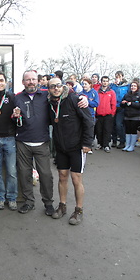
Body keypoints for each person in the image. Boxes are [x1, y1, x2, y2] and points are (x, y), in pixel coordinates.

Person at [13, 70, 89, 217]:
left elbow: (66, 94)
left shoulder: (46, 96)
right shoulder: (17, 98)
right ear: (23, 82)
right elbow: (11, 114)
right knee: (24, 174)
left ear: (39, 81)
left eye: (34, 79)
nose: (31, 82)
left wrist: (83, 96)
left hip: (42, 142)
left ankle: (48, 202)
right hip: (23, 142)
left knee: (46, 175)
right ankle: (29, 201)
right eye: (28, 80)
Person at [47, 78, 94, 226]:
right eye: (52, 86)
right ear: (48, 89)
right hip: (61, 147)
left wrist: (87, 143)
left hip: (77, 147)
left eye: (58, 85)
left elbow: (89, 121)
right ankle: (62, 205)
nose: (56, 88)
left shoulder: (75, 99)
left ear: (63, 86)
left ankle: (78, 210)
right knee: (62, 176)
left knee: (76, 178)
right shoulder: (49, 103)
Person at [0, 70, 18, 211]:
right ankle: (0, 197)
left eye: (1, 80)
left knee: (12, 170)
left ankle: (12, 197)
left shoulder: (12, 97)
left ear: (5, 82)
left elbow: (19, 115)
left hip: (9, 139)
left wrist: (17, 115)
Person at [120, 81, 140, 152]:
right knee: (127, 131)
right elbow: (122, 105)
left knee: (133, 131)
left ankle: (132, 146)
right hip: (127, 115)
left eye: (134, 86)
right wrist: (123, 103)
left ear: (137, 87)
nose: (133, 87)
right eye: (132, 86)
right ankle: (127, 145)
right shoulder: (127, 94)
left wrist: (132, 104)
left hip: (136, 116)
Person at [95, 76, 117, 153]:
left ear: (108, 82)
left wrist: (112, 113)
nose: (105, 82)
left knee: (107, 130)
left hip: (108, 114)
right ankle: (100, 143)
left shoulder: (111, 92)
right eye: (103, 81)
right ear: (101, 82)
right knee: (99, 130)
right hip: (99, 114)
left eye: (106, 81)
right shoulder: (97, 91)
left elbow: (113, 104)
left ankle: (106, 145)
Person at [110, 71, 129, 149]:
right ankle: (114, 141)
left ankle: (122, 141)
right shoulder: (113, 86)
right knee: (113, 125)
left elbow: (128, 95)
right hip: (113, 107)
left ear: (122, 77)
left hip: (121, 107)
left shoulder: (126, 86)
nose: (117, 78)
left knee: (119, 125)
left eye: (119, 76)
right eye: (116, 76)